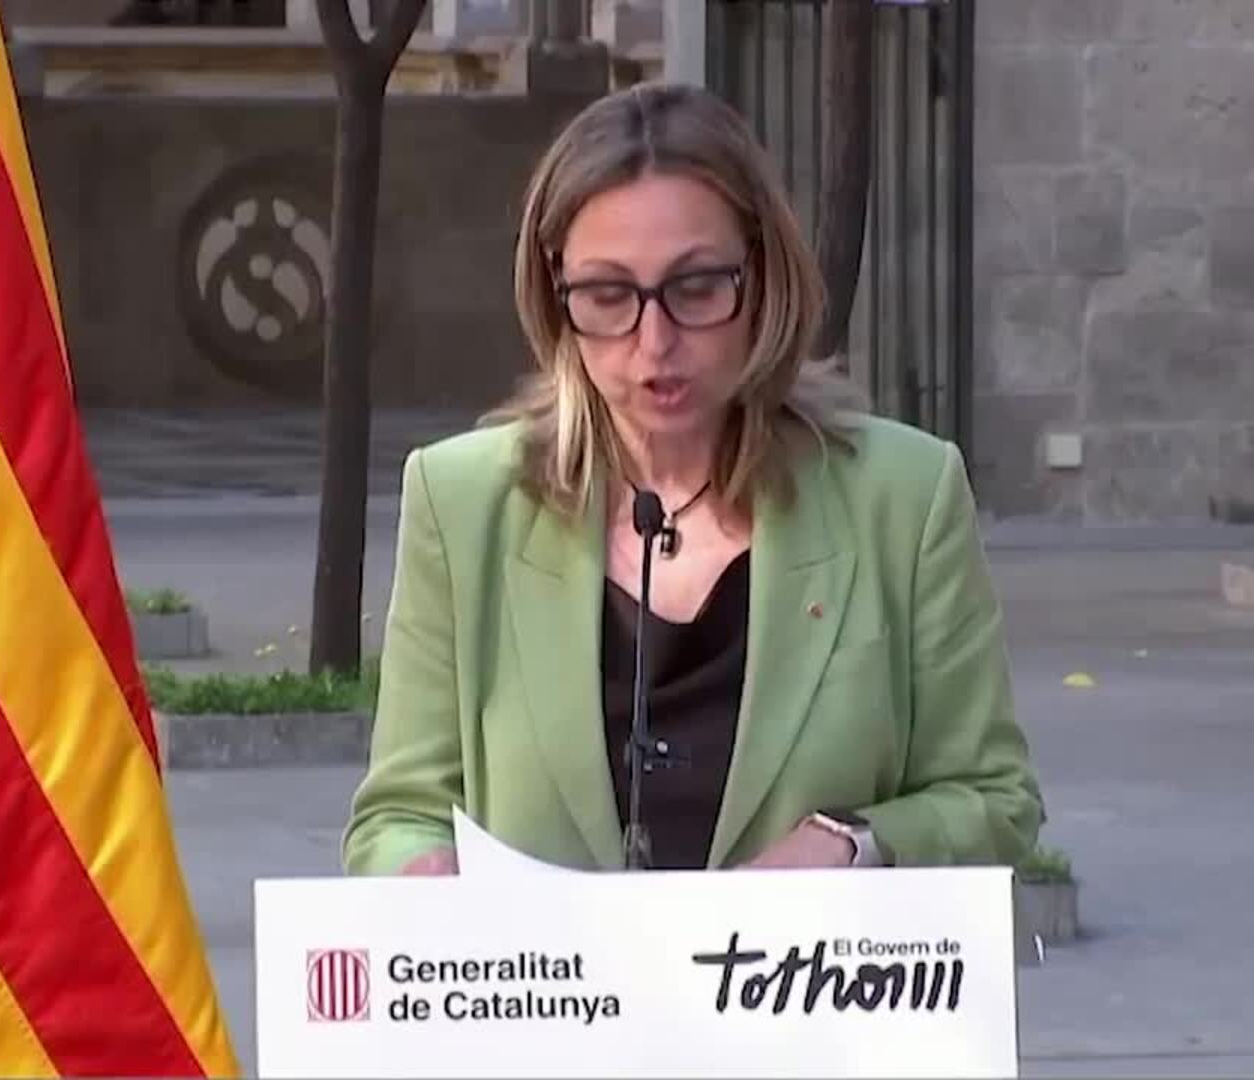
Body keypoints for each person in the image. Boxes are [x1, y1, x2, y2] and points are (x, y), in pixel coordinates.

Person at [341, 82, 1042, 875]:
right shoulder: (462, 501)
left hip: (803, 960)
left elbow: (995, 802)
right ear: (555, 294)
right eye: (608, 295)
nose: (654, 343)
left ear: (762, 279)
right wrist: (420, 873)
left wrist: (853, 843)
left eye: (697, 288)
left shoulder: (904, 496)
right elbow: (397, 816)